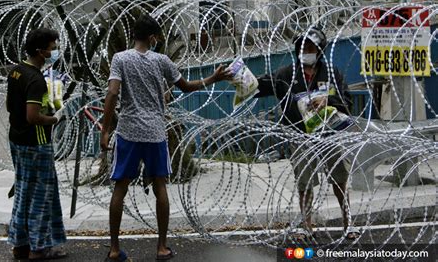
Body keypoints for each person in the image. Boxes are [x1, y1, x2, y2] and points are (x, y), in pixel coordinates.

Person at [100, 14, 232, 261]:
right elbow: (186, 86)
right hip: (155, 132)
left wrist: (105, 129)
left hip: (128, 132)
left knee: (120, 187)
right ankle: (161, 247)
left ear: (133, 36)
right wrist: (213, 78)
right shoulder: (161, 61)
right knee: (160, 186)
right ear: (152, 38)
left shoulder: (120, 59)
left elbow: (112, 93)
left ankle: (115, 249)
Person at [254, 27, 360, 240]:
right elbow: (260, 86)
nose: (306, 51)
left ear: (319, 50)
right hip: (299, 135)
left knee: (339, 178)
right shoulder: (286, 74)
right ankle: (306, 225)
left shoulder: (331, 73)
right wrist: (239, 78)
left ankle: (348, 223)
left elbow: (347, 101)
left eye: (310, 47)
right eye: (302, 47)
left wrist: (328, 100)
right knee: (305, 182)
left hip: (329, 134)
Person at [6, 28, 67, 260]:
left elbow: (11, 106)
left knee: (23, 191)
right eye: (52, 48)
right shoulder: (35, 80)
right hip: (37, 143)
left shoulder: (16, 72)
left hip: (17, 139)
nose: (55, 52)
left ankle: (20, 245)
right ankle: (38, 248)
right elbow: (33, 116)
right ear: (41, 52)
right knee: (41, 195)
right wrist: (54, 118)